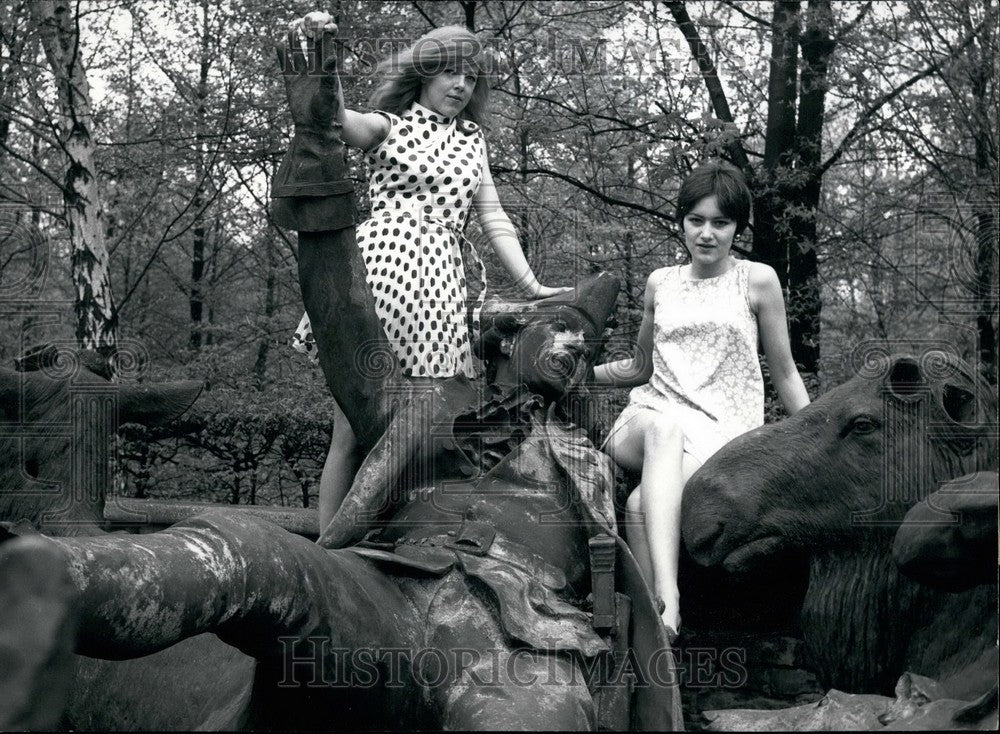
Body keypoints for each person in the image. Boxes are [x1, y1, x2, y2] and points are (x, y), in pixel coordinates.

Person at [287, 13, 569, 532]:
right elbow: (339, 121)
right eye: (449, 73)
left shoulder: (472, 140)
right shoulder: (389, 124)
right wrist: (326, 74)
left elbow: (494, 216)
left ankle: (394, 539)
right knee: (352, 424)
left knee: (422, 422)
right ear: (424, 74)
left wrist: (531, 286)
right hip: (380, 276)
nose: (461, 85)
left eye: (471, 76)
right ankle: (328, 548)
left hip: (439, 286)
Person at [592, 161, 811, 638]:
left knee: (637, 507)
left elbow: (786, 372)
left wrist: (817, 435)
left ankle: (652, 638)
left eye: (721, 222)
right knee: (664, 429)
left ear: (737, 228)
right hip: (648, 417)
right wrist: (573, 372)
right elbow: (639, 367)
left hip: (720, 436)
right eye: (696, 220)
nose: (706, 233)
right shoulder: (660, 283)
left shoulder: (758, 281)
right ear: (681, 222)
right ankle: (670, 601)